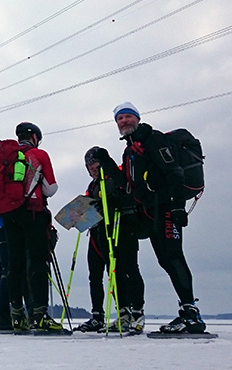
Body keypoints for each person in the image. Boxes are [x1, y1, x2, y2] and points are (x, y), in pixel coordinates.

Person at [96, 102, 205, 334]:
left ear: (137, 118)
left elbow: (173, 170)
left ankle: (191, 315)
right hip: (149, 213)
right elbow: (127, 185)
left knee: (172, 257)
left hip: (165, 208)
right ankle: (188, 313)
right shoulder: (130, 150)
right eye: (119, 119)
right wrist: (105, 161)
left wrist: (177, 208)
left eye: (127, 117)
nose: (123, 122)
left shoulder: (152, 139)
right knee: (165, 259)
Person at [77, 147, 146, 333]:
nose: (92, 167)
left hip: (123, 227)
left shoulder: (117, 176)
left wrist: (115, 201)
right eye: (88, 165)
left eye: (94, 163)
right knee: (103, 274)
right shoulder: (94, 185)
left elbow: (131, 194)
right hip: (99, 231)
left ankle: (137, 312)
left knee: (128, 269)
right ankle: (115, 313)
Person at [3, 122, 62, 333]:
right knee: (37, 263)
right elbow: (51, 188)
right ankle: (40, 315)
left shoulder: (7, 156)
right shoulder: (38, 154)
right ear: (35, 137)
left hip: (9, 216)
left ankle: (17, 316)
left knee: (14, 265)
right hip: (33, 213)